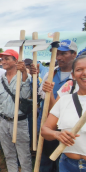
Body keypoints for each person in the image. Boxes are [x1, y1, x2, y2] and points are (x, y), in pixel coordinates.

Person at [37, 39, 77, 172]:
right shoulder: (50, 74)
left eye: (63, 54)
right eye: (56, 53)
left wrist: (51, 95)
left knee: (63, 162)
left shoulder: (78, 78)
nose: (59, 57)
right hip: (47, 126)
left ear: (74, 54)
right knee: (45, 161)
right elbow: (41, 99)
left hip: (67, 129)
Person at [41, 56, 86, 171]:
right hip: (67, 165)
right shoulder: (65, 100)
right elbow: (45, 129)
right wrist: (57, 135)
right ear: (73, 75)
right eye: (79, 70)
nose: (84, 73)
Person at [0, 49, 32, 172]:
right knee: (8, 154)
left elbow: (25, 96)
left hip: (19, 122)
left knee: (24, 156)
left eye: (7, 59)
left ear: (16, 61)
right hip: (3, 122)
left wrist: (24, 72)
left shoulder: (25, 77)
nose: (3, 61)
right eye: (2, 59)